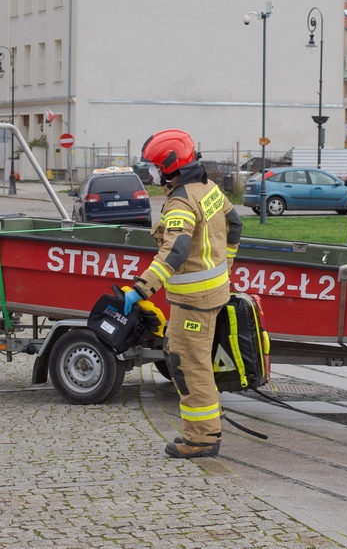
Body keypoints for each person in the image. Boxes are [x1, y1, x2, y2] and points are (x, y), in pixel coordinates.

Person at [122, 129, 242, 459]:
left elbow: (176, 249)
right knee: (180, 355)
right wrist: (225, 265)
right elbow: (235, 224)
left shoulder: (180, 201)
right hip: (209, 295)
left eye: (156, 166)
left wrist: (142, 288)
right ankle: (206, 428)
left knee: (190, 365)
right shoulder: (209, 188)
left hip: (195, 302)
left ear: (171, 166)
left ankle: (202, 439)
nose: (152, 173)